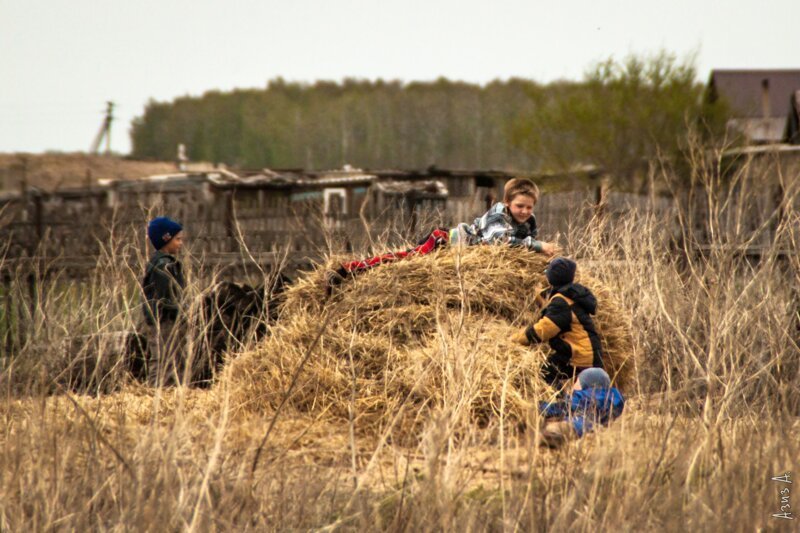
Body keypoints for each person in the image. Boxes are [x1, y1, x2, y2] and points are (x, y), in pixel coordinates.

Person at [511, 257, 603, 387]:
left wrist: (515, 339)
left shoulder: (561, 302)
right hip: (587, 353)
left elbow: (543, 330)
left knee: (542, 373)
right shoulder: (570, 294)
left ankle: (559, 403)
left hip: (579, 356)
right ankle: (563, 400)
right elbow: (549, 302)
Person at [449, 177, 557, 255]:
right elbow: (499, 242)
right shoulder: (497, 216)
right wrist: (537, 245)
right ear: (507, 202)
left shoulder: (530, 219)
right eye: (519, 206)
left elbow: (531, 239)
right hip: (471, 242)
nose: (524, 211)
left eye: (529, 207)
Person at [142, 216, 187, 386]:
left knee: (165, 358)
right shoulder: (162, 266)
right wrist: (180, 311)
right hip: (163, 320)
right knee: (166, 359)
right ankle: (160, 394)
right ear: (165, 240)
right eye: (177, 239)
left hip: (162, 319)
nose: (180, 243)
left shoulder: (164, 262)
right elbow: (165, 298)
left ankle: (162, 393)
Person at [537, 368, 625, 448]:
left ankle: (554, 434)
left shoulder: (583, 396)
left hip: (578, 424)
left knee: (558, 427)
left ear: (587, 384)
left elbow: (563, 407)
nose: (573, 385)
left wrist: (539, 406)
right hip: (594, 425)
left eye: (577, 382)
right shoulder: (613, 398)